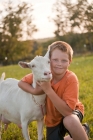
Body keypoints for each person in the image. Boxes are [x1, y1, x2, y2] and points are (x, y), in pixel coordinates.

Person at [18, 41, 89, 140]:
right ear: (49, 60)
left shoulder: (71, 78)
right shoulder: (43, 74)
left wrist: (48, 89)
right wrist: (34, 91)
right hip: (53, 119)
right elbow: (20, 83)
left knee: (69, 120)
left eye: (64, 60)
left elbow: (67, 112)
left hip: (71, 113)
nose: (59, 64)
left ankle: (80, 131)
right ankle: (82, 130)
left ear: (70, 61)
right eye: (55, 60)